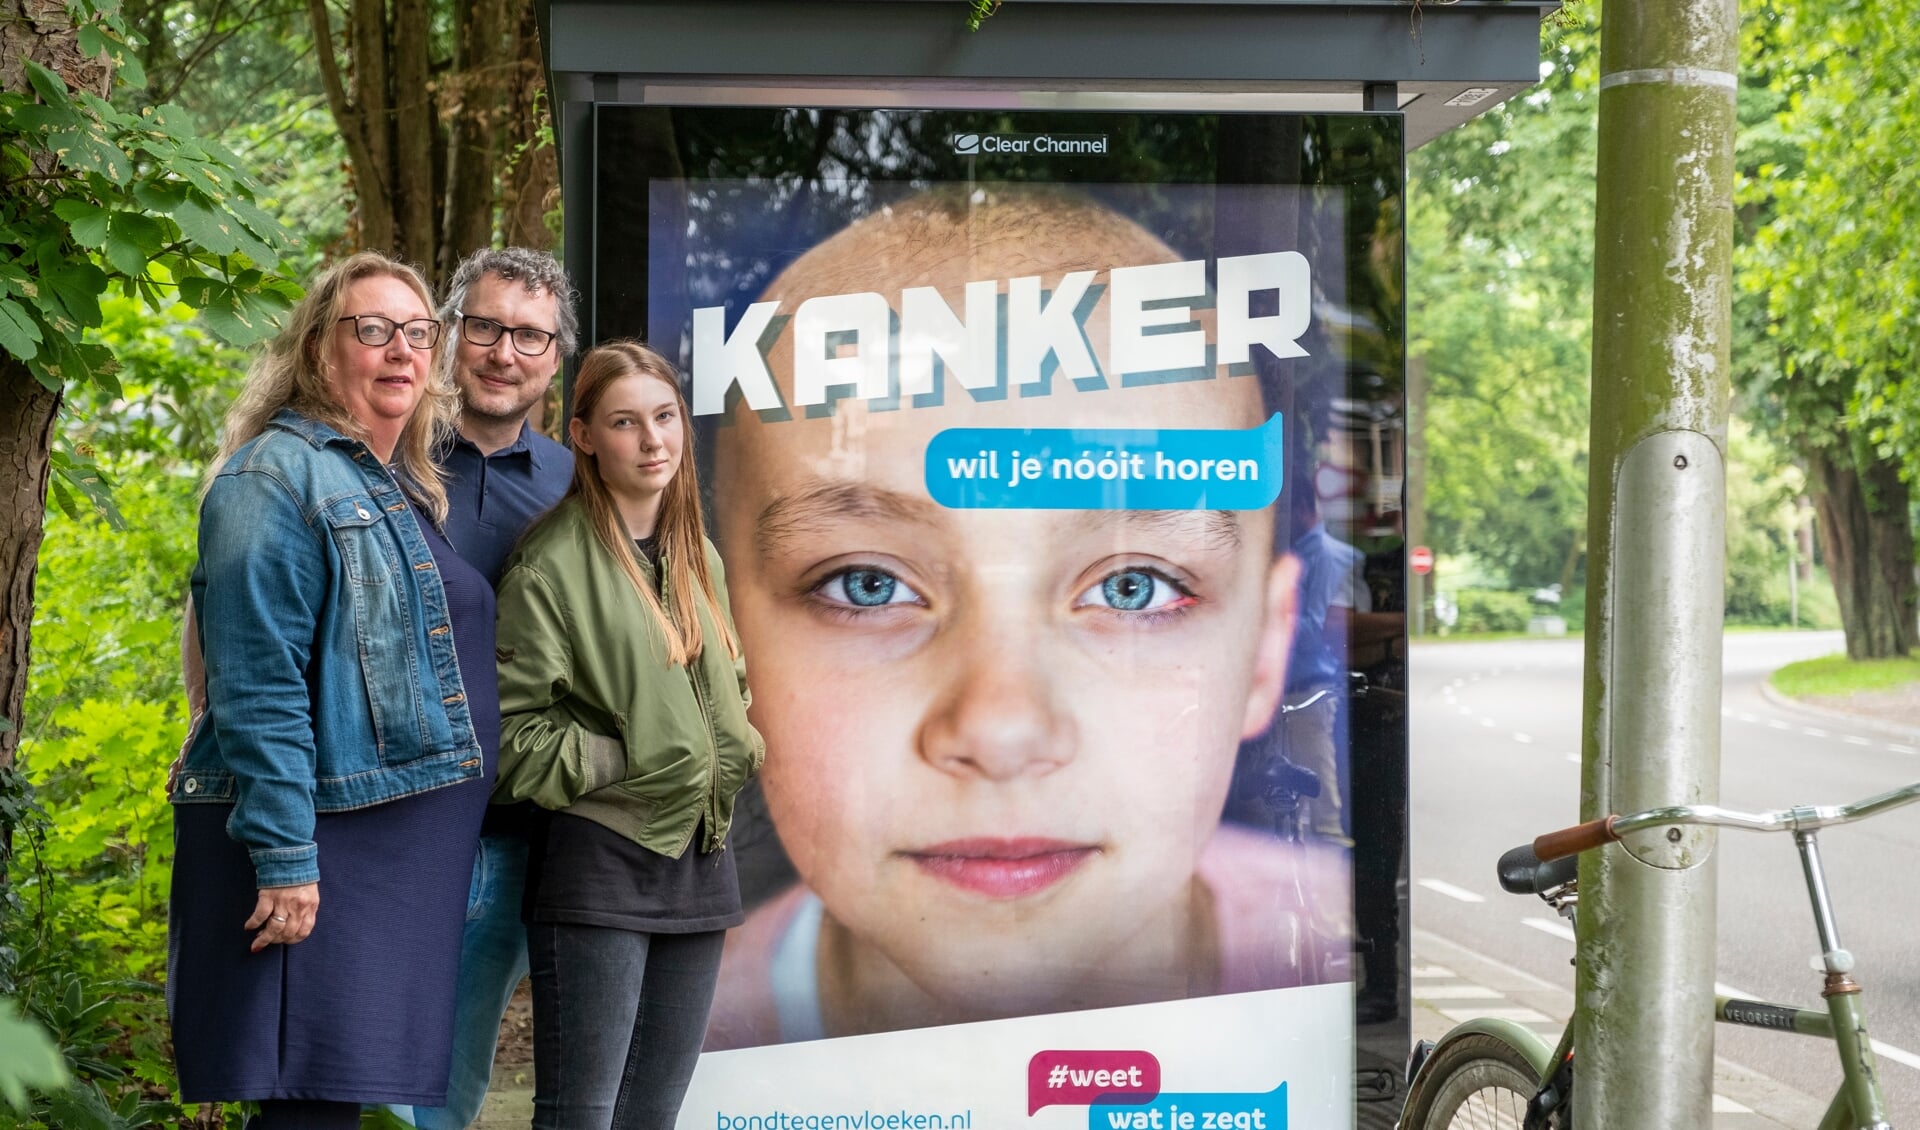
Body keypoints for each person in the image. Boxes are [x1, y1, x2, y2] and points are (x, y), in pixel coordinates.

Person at [699, 189, 1350, 1049]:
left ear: (1264, 653)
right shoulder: (688, 1025)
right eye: (863, 584)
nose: (1002, 732)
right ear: (724, 637)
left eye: (1135, 588)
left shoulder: (1332, 944)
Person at [167, 251, 497, 1128]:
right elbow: (257, 683)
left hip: (392, 851)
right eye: (373, 329)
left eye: (419, 333)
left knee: (333, 1102)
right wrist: (285, 858)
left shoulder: (392, 485)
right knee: (305, 1108)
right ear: (319, 349)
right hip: (322, 845)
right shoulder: (272, 477)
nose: (402, 350)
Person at [492, 341, 763, 1130]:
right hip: (600, 865)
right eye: (624, 423)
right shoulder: (548, 565)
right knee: (582, 1117)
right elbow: (513, 739)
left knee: (652, 1118)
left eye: (664, 417)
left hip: (700, 860)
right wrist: (626, 754)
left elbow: (729, 687)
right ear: (582, 436)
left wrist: (739, 740)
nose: (653, 442)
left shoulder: (696, 556)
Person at [408, 248, 576, 1130]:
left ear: (555, 358)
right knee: (351, 1053)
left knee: (449, 1080)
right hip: (381, 819)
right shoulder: (381, 452)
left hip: (508, 830)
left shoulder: (576, 486)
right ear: (449, 334)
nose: (503, 352)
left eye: (528, 336)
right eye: (486, 326)